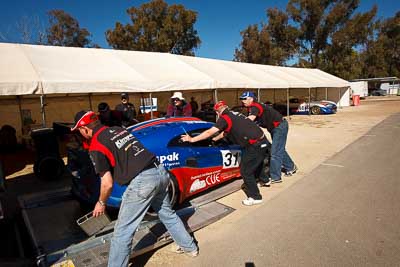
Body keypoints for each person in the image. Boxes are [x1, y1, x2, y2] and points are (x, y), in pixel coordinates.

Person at [71, 110, 198, 267]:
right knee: (167, 214)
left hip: (143, 182)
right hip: (160, 171)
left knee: (122, 232)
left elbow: (107, 183)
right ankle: (190, 247)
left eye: (79, 131)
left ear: (84, 129)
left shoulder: (96, 146)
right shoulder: (117, 129)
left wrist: (101, 203)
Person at [181, 101, 268, 206]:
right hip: (261, 141)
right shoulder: (234, 114)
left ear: (218, 112)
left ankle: (256, 197)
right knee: (255, 163)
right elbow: (225, 133)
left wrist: (192, 140)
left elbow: (209, 132)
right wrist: (214, 140)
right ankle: (265, 180)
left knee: (245, 171)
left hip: (255, 144)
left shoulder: (225, 118)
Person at [239, 91, 297, 185]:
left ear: (251, 99)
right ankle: (291, 167)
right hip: (274, 128)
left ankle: (275, 177)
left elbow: (250, 120)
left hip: (279, 126)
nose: (243, 101)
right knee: (278, 149)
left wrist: (238, 126)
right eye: (242, 99)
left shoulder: (255, 106)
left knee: (274, 152)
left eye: (245, 99)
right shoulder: (251, 108)